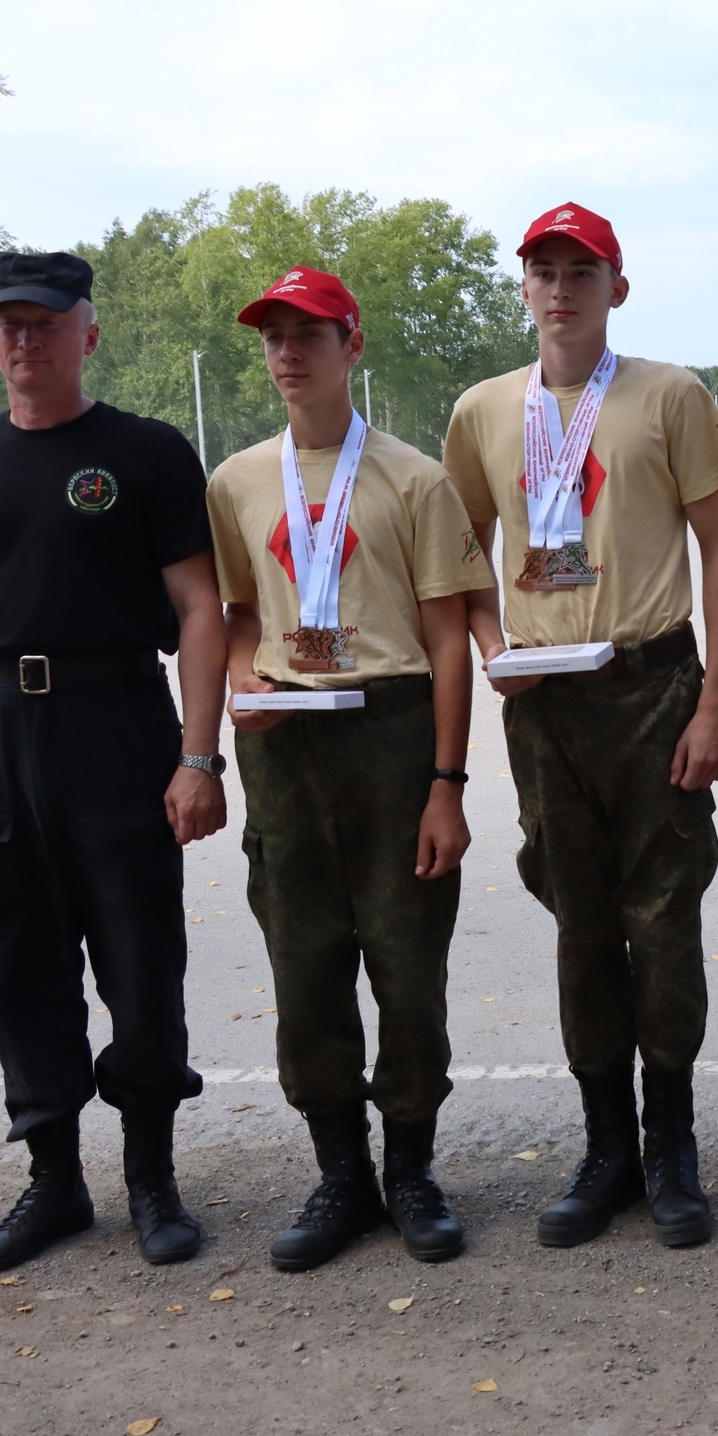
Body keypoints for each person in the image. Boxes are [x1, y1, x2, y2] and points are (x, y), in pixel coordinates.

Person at [0, 250, 227, 1274]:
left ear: (88, 332)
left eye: (46, 321)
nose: (24, 339)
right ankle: (53, 1180)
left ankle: (151, 1178)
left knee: (139, 955)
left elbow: (199, 610)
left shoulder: (147, 452)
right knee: (17, 959)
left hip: (116, 719)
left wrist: (198, 756)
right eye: (8, 323)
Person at [443, 202, 718, 1250]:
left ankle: (671, 1150)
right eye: (544, 270)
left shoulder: (669, 396)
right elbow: (460, 556)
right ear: (522, 288)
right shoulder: (485, 409)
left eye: (583, 270)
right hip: (546, 699)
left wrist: (712, 698)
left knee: (662, 919)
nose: (562, 288)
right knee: (580, 920)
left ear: (617, 286)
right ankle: (604, 1147)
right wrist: (493, 641)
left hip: (651, 681)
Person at [206, 268, 492, 1270]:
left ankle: (410, 1169)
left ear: (351, 346)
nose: (289, 354)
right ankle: (340, 1174)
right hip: (287, 743)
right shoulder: (239, 481)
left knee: (408, 967)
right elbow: (239, 618)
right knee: (306, 964)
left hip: (391, 730)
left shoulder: (412, 479)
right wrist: (244, 683)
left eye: (309, 336)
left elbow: (450, 638)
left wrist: (446, 785)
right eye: (274, 339)